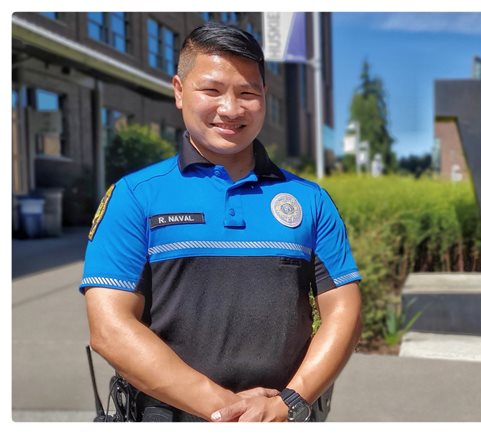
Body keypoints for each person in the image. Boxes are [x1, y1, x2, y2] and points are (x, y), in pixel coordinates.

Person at [80, 23, 362, 422]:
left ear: (264, 97)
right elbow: (110, 328)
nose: (231, 109)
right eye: (211, 91)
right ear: (179, 91)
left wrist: (287, 403)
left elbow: (344, 313)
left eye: (248, 93)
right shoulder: (135, 196)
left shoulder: (309, 200)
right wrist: (227, 411)